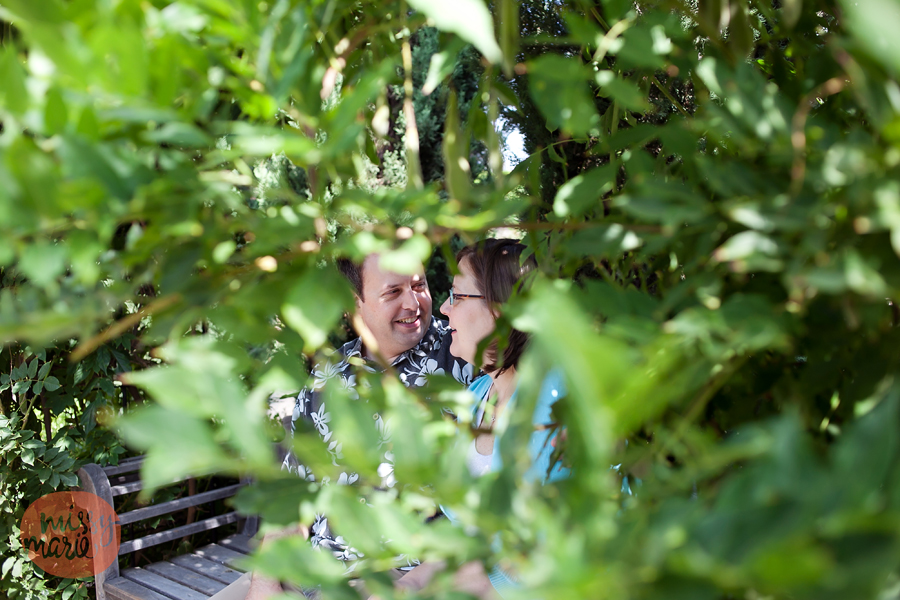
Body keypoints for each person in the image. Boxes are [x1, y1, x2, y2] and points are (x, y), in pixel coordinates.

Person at [244, 253, 474, 600]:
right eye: (393, 292)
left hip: (405, 572)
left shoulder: (461, 356)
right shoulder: (326, 380)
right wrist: (263, 583)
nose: (413, 304)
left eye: (419, 286)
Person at [394, 238, 568, 599]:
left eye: (457, 296)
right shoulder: (476, 397)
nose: (444, 309)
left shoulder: (556, 404)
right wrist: (408, 583)